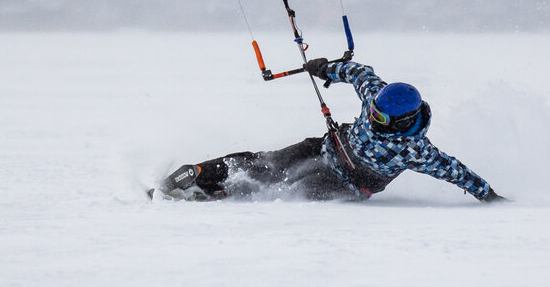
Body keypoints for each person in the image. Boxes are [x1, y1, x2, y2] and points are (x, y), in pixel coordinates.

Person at [152, 59, 504, 203]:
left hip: (346, 183)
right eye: (374, 112)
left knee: (284, 186)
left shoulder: (417, 152)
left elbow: (457, 173)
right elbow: (358, 72)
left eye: (380, 119)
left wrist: (488, 196)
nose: (373, 118)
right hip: (325, 147)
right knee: (267, 162)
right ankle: (199, 174)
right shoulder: (376, 99)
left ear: (400, 122)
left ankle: (219, 195)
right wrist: (326, 69)